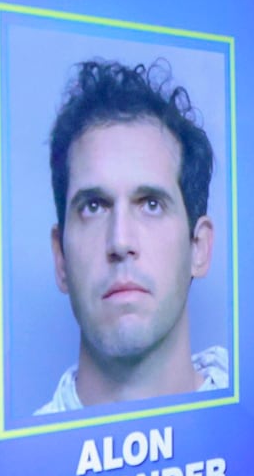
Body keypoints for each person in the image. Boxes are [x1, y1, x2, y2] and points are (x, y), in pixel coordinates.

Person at [37, 59, 225, 414]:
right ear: (60, 258)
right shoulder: (15, 465)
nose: (120, 241)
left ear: (198, 247)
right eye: (94, 206)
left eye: (151, 204)